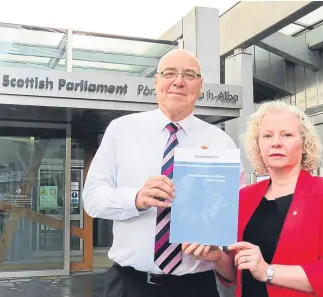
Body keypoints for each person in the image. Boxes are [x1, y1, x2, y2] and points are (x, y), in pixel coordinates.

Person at [82, 49, 239, 297]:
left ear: (200, 86)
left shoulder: (222, 144)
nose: (178, 81)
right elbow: (92, 199)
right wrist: (135, 199)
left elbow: (232, 215)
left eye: (189, 74)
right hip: (129, 284)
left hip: (196, 286)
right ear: (156, 82)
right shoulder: (121, 130)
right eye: (169, 73)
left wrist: (216, 242)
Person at [183, 100, 323, 297]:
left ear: (304, 143)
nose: (276, 142)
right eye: (267, 135)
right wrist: (218, 258)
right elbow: (235, 275)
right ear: (258, 145)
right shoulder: (245, 196)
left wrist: (268, 271)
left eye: (287, 135)